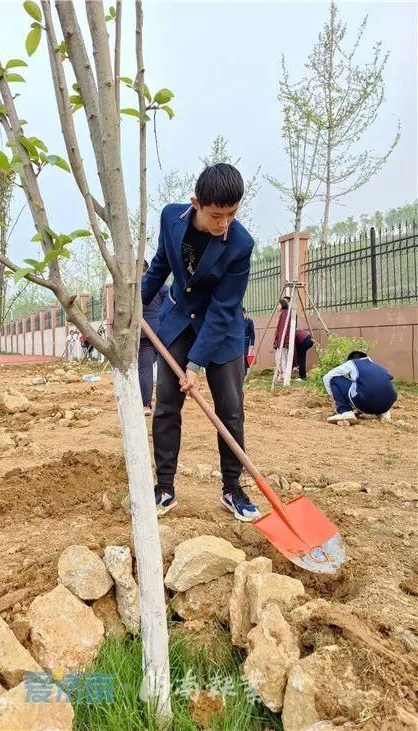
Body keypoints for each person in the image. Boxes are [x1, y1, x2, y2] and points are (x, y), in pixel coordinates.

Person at [142, 163, 260, 522]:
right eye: (216, 215)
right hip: (179, 322)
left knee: (230, 409)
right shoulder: (170, 218)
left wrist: (195, 365)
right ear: (196, 203)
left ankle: (232, 488)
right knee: (166, 407)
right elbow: (161, 263)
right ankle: (164, 487)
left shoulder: (240, 244)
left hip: (221, 332)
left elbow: (225, 308)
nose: (224, 223)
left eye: (232, 214)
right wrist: (137, 304)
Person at [323, 350, 397, 424]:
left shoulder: (352, 363)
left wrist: (333, 398)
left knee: (334, 379)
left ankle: (345, 411)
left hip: (365, 404)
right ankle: (384, 413)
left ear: (351, 359)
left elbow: (327, 377)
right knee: (376, 385)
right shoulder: (380, 368)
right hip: (386, 406)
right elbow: (389, 382)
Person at [139, 260, 168, 416]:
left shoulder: (131, 286)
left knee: (144, 367)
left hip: (140, 330)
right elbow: (169, 300)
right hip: (158, 328)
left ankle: (145, 404)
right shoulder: (158, 283)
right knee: (163, 362)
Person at [273, 298, 290, 380]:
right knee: (281, 357)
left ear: (282, 305)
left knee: (282, 358)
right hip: (281, 340)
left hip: (283, 341)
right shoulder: (283, 314)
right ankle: (282, 374)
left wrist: (281, 341)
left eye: (278, 305)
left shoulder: (285, 314)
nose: (277, 306)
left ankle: (284, 375)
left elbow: (284, 330)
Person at [243, 307, 255, 374]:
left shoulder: (249, 321)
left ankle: (245, 373)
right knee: (240, 358)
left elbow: (252, 334)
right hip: (239, 342)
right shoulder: (238, 322)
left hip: (246, 342)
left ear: (244, 313)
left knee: (245, 357)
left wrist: (252, 344)